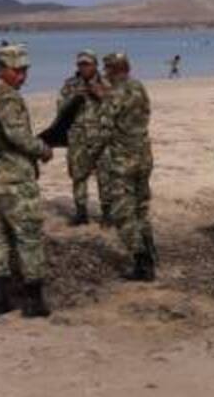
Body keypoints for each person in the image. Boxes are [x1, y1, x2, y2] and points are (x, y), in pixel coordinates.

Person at [0, 46, 53, 317]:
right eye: (17, 70)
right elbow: (18, 136)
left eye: (25, 70)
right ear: (1, 69)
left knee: (0, 237)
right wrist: (42, 149)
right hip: (15, 180)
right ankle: (34, 301)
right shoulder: (7, 98)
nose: (22, 76)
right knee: (29, 236)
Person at [90, 53, 157, 281]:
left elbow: (103, 129)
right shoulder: (139, 87)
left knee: (121, 211)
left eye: (106, 70)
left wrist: (89, 158)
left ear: (110, 70)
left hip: (123, 161)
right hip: (144, 157)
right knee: (140, 208)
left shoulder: (114, 94)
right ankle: (151, 252)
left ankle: (142, 262)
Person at [57, 51, 104, 227]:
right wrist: (74, 98)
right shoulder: (70, 84)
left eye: (87, 64)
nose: (83, 68)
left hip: (100, 138)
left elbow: (117, 107)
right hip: (77, 138)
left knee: (104, 178)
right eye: (80, 65)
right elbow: (61, 110)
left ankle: (107, 213)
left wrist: (99, 94)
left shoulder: (106, 83)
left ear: (95, 65)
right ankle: (81, 213)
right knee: (78, 176)